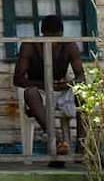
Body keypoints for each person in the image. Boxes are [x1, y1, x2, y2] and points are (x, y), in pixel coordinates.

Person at [12, 15, 86, 156]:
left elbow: (81, 77)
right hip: (40, 90)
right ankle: (57, 141)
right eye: (48, 38)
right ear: (42, 34)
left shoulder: (69, 45)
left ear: (61, 35)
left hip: (62, 90)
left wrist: (66, 85)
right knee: (30, 93)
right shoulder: (29, 45)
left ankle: (82, 147)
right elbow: (18, 79)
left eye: (56, 39)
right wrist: (45, 85)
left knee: (83, 92)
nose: (52, 42)